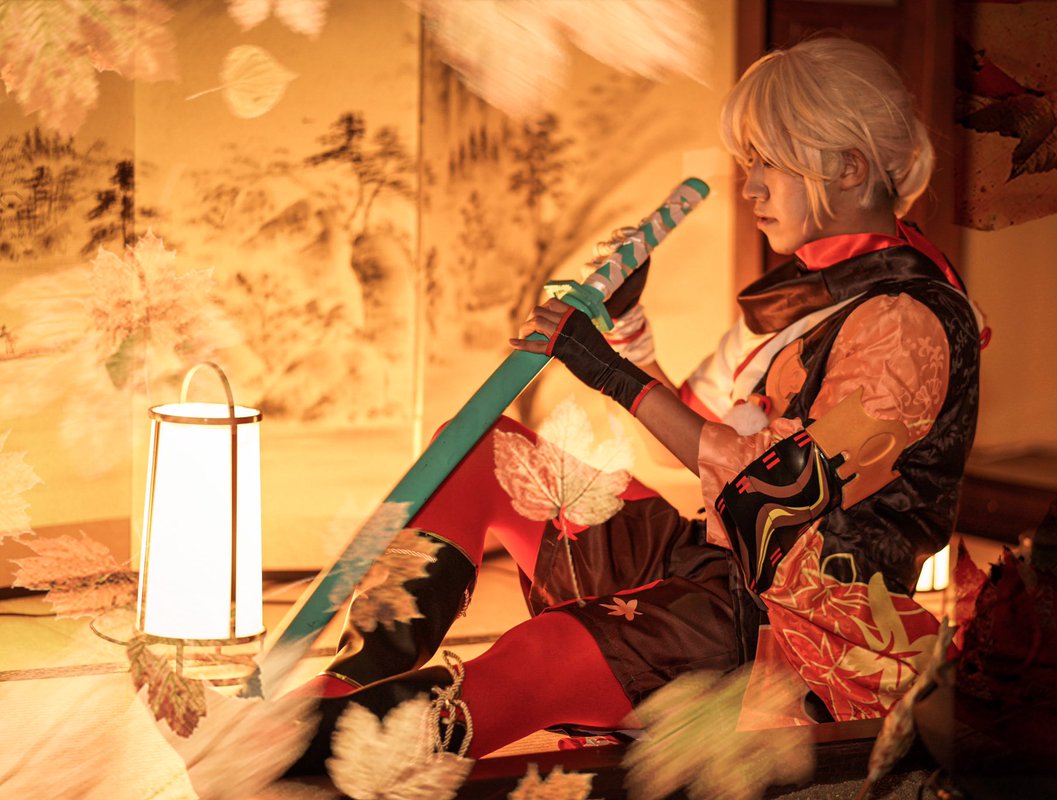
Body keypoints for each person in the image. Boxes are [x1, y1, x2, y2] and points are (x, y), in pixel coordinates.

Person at [288, 35, 981, 773]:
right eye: (749, 162)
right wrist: (626, 328)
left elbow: (778, 491)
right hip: (717, 565)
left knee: (542, 654)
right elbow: (688, 444)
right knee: (482, 449)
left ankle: (311, 755)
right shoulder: (808, 295)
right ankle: (342, 687)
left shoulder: (907, 321)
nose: (750, 188)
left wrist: (611, 374)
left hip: (788, 631)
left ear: (849, 167)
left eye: (769, 162)